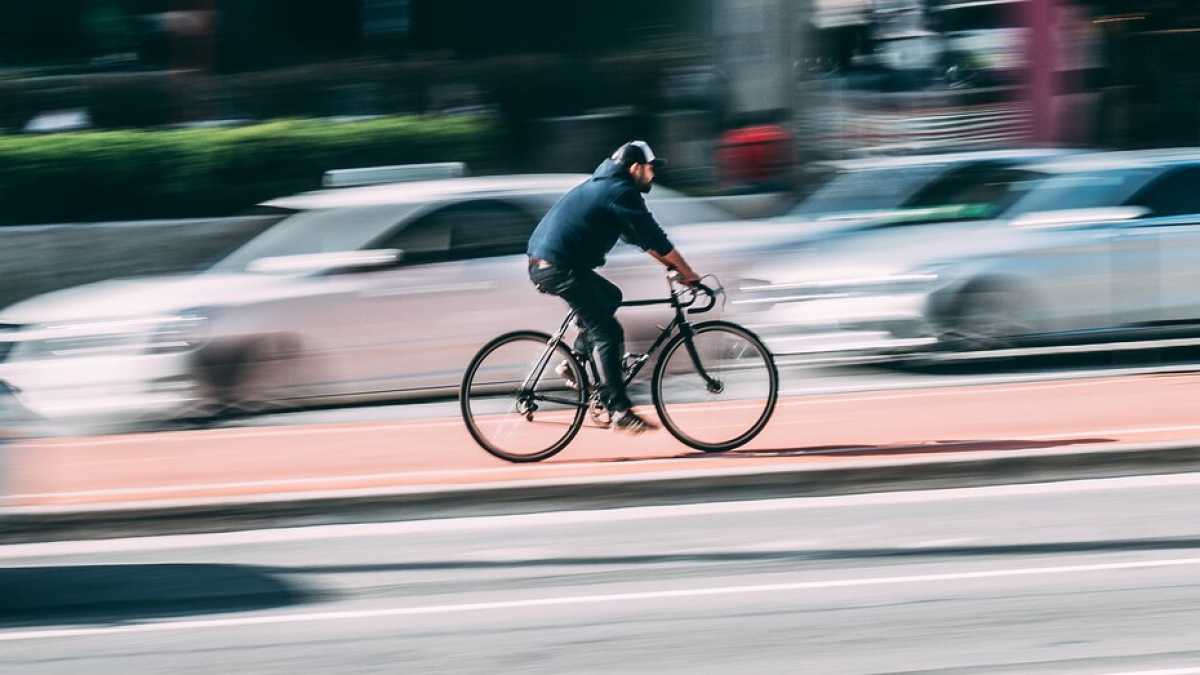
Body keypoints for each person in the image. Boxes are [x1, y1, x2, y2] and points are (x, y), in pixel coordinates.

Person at [527, 140, 702, 434]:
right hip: (557, 267)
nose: (653, 175)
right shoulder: (620, 191)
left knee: (610, 296)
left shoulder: (609, 187)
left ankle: (576, 362)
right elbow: (655, 237)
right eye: (650, 169)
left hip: (555, 263)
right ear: (635, 168)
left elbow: (642, 239)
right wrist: (689, 273)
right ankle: (620, 409)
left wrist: (674, 267)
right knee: (609, 331)